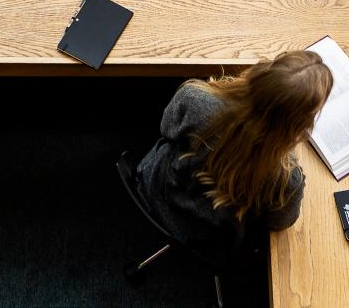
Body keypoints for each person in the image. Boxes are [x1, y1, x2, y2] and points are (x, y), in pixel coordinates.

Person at [136, 50, 333, 267]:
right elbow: (280, 222)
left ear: (260, 74)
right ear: (299, 125)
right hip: (208, 240)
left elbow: (166, 128)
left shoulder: (195, 98)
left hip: (157, 186)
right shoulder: (285, 180)